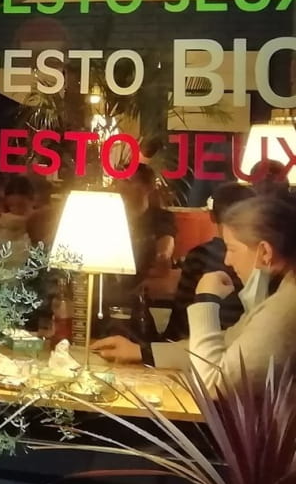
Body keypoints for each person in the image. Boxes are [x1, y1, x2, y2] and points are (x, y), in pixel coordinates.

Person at [93, 195, 296, 390]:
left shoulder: (283, 309)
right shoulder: (282, 293)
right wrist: (141, 352)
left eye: (232, 249)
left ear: (265, 252)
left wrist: (205, 301)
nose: (227, 260)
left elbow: (214, 383)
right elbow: (224, 344)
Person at [163, 183, 256, 341]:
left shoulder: (199, 256)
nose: (228, 260)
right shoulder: (257, 260)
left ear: (211, 216)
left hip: (197, 341)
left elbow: (181, 314)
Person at [118, 164, 176, 278]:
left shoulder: (161, 218)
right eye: (120, 180)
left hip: (144, 280)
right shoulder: (112, 216)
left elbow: (166, 244)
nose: (121, 185)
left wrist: (163, 256)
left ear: (148, 187)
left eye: (128, 181)